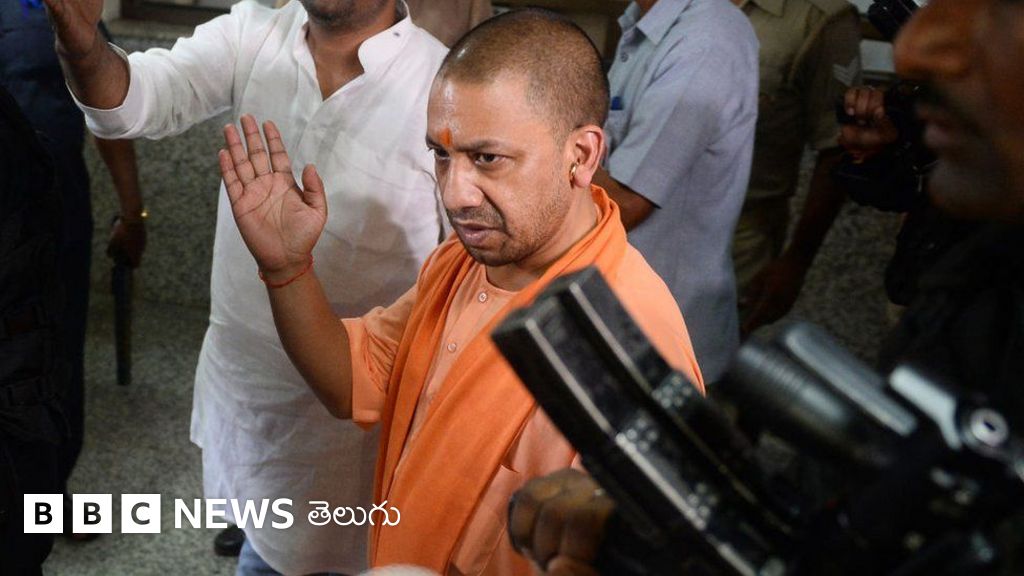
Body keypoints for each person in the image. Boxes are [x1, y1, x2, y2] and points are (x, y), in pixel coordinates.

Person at [508, 0, 1024, 571]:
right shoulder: (981, 282)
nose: (917, 48)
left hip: (683, 300)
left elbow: (626, 203)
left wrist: (525, 145)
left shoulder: (711, 36)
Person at [217, 10, 703, 575]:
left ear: (582, 155)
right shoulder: (460, 263)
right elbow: (352, 382)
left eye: (487, 159)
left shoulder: (632, 340)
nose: (455, 193)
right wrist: (287, 269)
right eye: (442, 155)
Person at [42, 0, 448, 572]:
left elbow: (467, 269)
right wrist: (84, 49)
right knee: (261, 540)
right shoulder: (254, 33)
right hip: (251, 391)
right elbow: (132, 103)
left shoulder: (441, 82)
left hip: (356, 424)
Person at [0, 1, 146, 541]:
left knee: (55, 347)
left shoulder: (57, 7)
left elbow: (103, 105)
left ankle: (48, 495)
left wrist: (132, 210)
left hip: (51, 211)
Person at [593, 0, 759, 382]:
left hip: (663, 344)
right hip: (622, 327)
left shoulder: (707, 39)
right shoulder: (645, 23)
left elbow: (626, 205)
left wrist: (541, 143)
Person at [731, 0, 861, 335]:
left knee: (698, 361)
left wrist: (797, 260)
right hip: (643, 219)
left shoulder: (821, 17)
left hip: (739, 241)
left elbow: (839, 147)